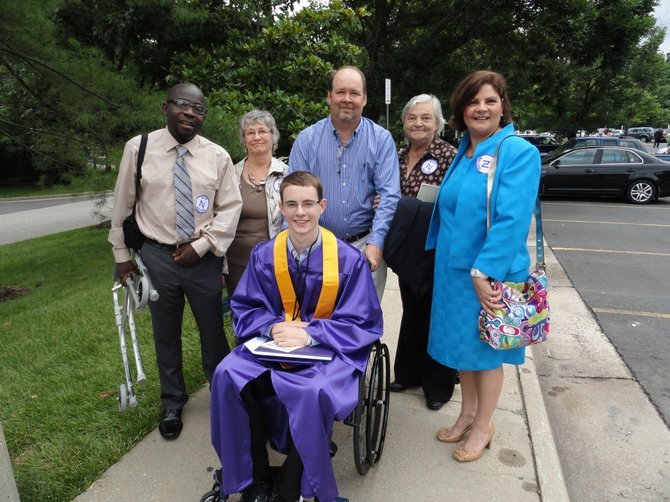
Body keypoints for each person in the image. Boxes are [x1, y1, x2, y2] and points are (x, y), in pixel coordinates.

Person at [210, 171, 383, 502]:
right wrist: (272, 327)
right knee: (227, 375)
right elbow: (245, 305)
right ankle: (254, 478)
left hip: (330, 349)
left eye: (308, 204)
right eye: (292, 204)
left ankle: (294, 483)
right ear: (281, 207)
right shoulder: (265, 255)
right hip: (273, 343)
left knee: (310, 390)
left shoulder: (348, 260)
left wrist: (312, 333)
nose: (300, 212)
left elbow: (364, 322)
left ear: (322, 206)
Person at [108, 83, 242, 440]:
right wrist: (122, 255)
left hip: (202, 257)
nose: (189, 113)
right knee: (165, 333)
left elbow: (230, 208)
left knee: (213, 331)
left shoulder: (218, 157)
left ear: (203, 118)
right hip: (155, 257)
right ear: (165, 107)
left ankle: (224, 395)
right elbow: (123, 206)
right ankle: (172, 400)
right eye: (182, 104)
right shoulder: (139, 149)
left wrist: (203, 246)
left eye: (198, 109)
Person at [425, 71, 540, 462]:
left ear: (503, 106)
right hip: (454, 271)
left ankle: (484, 426)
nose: (481, 108)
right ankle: (468, 414)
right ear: (461, 110)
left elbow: (512, 220)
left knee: (488, 353)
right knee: (465, 352)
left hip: (488, 273)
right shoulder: (466, 150)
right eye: (473, 101)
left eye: (490, 100)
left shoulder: (517, 152)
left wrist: (482, 272)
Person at [289, 65, 400, 300]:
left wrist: (376, 242)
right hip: (315, 246)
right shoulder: (307, 140)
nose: (347, 99)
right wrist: (294, 248)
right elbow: (293, 196)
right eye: (340, 92)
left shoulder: (381, 140)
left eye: (354, 93)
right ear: (329, 96)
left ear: (365, 99)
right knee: (315, 323)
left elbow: (389, 195)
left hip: (363, 247)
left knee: (361, 329)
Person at [384, 94, 458, 411]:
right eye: (413, 117)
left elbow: (455, 202)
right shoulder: (396, 156)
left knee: (434, 314)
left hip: (436, 245)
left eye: (426, 117)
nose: (418, 123)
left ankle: (438, 384)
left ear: (438, 123)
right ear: (404, 123)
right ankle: (409, 374)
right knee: (412, 310)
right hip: (405, 245)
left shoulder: (449, 156)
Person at [224, 110, 287, 298]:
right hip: (237, 263)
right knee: (243, 316)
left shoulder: (288, 174)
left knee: (275, 314)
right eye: (250, 132)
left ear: (273, 136)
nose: (256, 137)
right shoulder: (229, 174)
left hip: (276, 261)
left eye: (262, 131)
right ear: (244, 139)